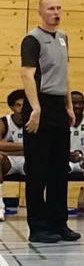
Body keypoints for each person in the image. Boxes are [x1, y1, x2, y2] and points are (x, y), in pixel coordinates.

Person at [20, 0, 78, 244]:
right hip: (39, 104)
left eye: (59, 8)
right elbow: (27, 75)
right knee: (38, 169)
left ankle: (59, 223)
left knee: (59, 169)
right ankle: (38, 227)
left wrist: (68, 106)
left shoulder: (63, 37)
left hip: (58, 107)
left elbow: (64, 74)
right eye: (51, 8)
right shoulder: (32, 39)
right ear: (40, 12)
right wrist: (35, 108)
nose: (56, 12)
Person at [0, 89, 27, 222]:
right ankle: (0, 207)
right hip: (9, 161)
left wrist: (9, 147)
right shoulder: (3, 122)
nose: (21, 108)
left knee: (41, 162)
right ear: (11, 107)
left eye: (24, 105)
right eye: (18, 105)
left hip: (28, 161)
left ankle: (38, 209)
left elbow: (38, 148)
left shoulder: (35, 122)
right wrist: (25, 147)